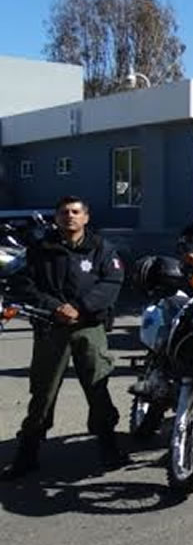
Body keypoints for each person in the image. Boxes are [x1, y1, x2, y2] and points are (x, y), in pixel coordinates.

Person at [1, 196, 128, 481]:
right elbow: (22, 283)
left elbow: (112, 282)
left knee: (98, 387)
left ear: (86, 217)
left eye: (75, 212)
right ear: (56, 218)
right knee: (43, 393)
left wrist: (80, 308)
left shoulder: (101, 249)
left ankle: (109, 449)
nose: (69, 216)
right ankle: (27, 455)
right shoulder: (40, 249)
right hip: (51, 328)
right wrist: (54, 307)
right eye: (63, 212)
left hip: (88, 327)